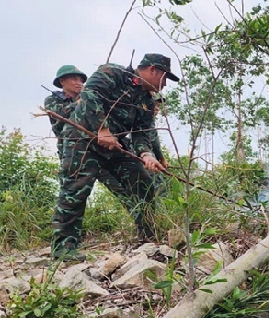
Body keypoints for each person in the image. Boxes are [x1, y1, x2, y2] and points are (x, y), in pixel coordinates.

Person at [51, 53, 178, 261]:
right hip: (83, 140)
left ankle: (148, 236)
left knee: (143, 183)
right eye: (164, 78)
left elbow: (142, 132)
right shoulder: (114, 73)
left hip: (116, 146)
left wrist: (146, 154)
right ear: (152, 69)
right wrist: (102, 128)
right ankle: (63, 248)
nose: (164, 84)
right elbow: (90, 95)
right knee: (75, 191)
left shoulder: (146, 101)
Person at [45, 65, 146, 217]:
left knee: (121, 188)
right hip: (75, 152)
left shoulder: (90, 98)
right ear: (62, 81)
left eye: (81, 79)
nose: (79, 82)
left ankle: (142, 220)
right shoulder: (53, 99)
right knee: (73, 194)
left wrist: (89, 100)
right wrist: (81, 102)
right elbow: (59, 116)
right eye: (74, 78)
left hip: (101, 148)